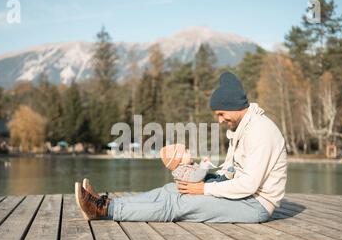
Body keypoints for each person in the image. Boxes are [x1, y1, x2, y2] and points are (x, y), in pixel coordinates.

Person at [75, 71, 287, 223]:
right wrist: (199, 174)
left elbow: (249, 185)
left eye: (221, 114)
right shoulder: (243, 127)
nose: (220, 121)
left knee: (178, 204)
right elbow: (231, 172)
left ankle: (104, 211)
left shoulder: (260, 132)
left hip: (254, 205)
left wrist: (203, 188)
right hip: (240, 194)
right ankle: (108, 202)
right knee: (172, 189)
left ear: (234, 106)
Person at [159, 143, 234, 183]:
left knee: (210, 176)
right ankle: (225, 178)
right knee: (210, 181)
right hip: (198, 184)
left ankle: (220, 177)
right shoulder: (181, 172)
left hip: (200, 181)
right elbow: (197, 177)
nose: (189, 152)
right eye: (186, 151)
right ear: (179, 160)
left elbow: (198, 171)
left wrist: (202, 163)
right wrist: (204, 166)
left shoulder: (186, 166)